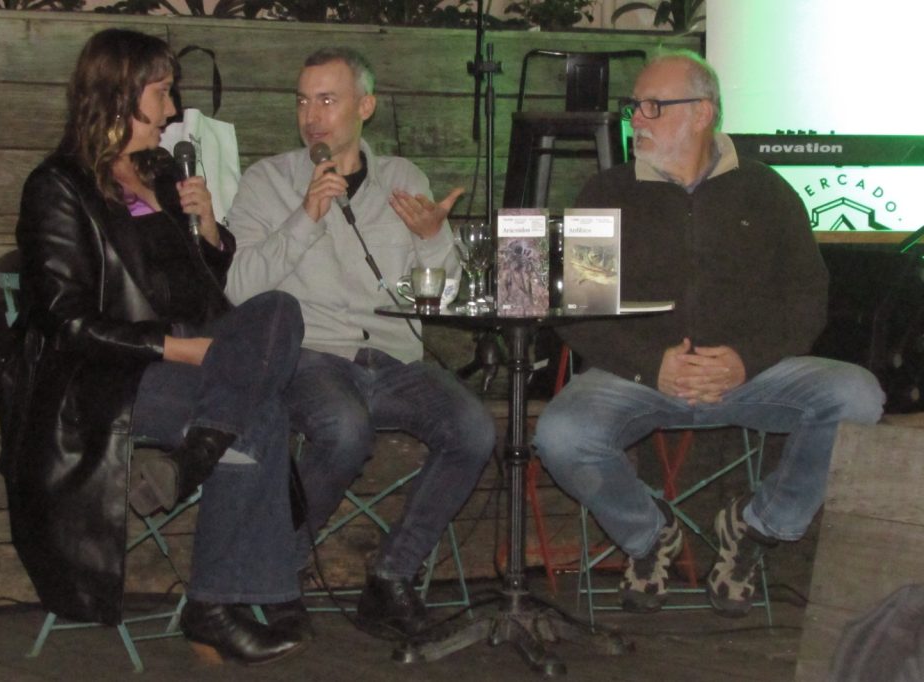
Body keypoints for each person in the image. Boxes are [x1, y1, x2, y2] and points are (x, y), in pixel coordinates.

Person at [532, 50, 886, 617]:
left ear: (701, 113)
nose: (636, 120)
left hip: (750, 375)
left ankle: (755, 526)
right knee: (562, 434)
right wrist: (654, 364)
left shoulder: (767, 190)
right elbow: (579, 308)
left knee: (857, 395)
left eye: (652, 107)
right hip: (638, 377)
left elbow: (807, 299)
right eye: (633, 108)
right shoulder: (606, 192)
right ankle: (650, 537)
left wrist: (747, 360)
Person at [0, 28, 308, 665]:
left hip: (198, 356)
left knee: (280, 309)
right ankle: (221, 602)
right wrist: (176, 349)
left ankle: (195, 454)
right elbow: (66, 323)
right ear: (117, 95)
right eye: (163, 93)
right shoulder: (57, 188)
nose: (172, 110)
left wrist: (207, 227)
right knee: (262, 415)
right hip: (110, 377)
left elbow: (204, 284)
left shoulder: (161, 172)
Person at [223, 47, 496, 639]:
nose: (312, 115)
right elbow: (239, 289)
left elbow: (444, 292)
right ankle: (279, 571)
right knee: (345, 429)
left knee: (474, 429)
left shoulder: (403, 180)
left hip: (396, 358)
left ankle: (392, 576)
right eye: (303, 100)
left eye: (328, 99)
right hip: (312, 355)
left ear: (365, 106)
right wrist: (304, 217)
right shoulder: (267, 182)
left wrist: (431, 239)